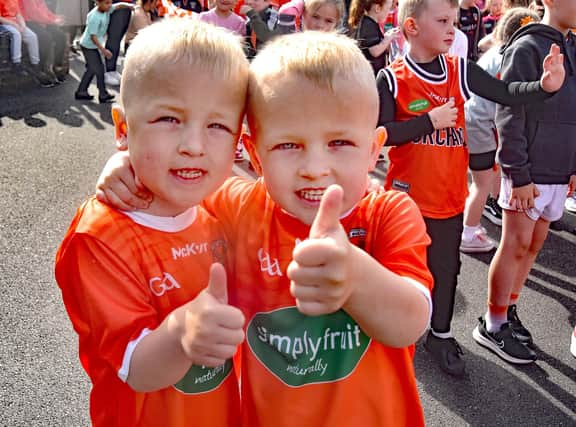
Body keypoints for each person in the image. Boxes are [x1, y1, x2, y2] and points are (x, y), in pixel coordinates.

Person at [97, 31, 434, 426]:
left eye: (340, 142)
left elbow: (412, 322)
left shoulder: (388, 214)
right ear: (255, 154)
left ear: (375, 150)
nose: (314, 167)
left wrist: (355, 278)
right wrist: (128, 165)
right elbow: (181, 180)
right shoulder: (240, 208)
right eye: (288, 146)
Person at [55, 18, 249, 427]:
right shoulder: (100, 237)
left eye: (217, 125)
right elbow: (138, 370)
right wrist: (185, 330)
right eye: (169, 119)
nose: (193, 146)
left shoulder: (222, 206)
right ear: (123, 127)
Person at [377, 0, 565, 376]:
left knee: (446, 273)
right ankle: (394, 334)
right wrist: (428, 121)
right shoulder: (392, 78)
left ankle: (440, 335)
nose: (454, 29)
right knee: (399, 273)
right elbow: (381, 135)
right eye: (443, 21)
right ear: (412, 27)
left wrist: (543, 87)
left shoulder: (459, 69)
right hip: (404, 202)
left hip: (448, 202)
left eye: (454, 20)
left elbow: (507, 92)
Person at [473, 0, 576, 364]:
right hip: (528, 173)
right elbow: (509, 112)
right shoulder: (526, 46)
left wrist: (572, 167)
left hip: (557, 172)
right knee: (515, 244)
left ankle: (509, 310)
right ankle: (493, 322)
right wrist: (517, 174)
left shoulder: (573, 47)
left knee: (533, 244)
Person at [460, 7, 540, 254]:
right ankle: (468, 232)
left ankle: (475, 220)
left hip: (477, 120)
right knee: (481, 183)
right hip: (479, 124)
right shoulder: (512, 58)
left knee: (486, 176)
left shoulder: (497, 51)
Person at [75, 0, 133, 103]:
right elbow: (93, 37)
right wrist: (103, 50)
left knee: (92, 69)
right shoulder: (94, 17)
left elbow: (118, 5)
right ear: (97, 2)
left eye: (110, 2)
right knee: (99, 69)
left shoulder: (107, 8)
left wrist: (129, 5)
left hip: (92, 46)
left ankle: (81, 91)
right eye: (107, 3)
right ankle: (102, 94)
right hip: (88, 46)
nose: (110, 5)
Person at [0, 0, 54, 86]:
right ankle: (16, 63)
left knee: (32, 36)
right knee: (16, 34)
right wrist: (14, 25)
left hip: (16, 23)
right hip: (4, 24)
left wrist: (23, 26)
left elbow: (18, 14)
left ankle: (35, 64)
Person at [19, 0, 68, 82]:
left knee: (61, 36)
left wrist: (55, 17)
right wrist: (52, 21)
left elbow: (44, 10)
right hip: (28, 21)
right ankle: (40, 69)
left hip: (41, 20)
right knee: (45, 38)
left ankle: (56, 66)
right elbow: (33, 13)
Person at [348, 0, 400, 75]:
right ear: (378, 8)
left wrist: (386, 37)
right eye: (388, 9)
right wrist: (387, 39)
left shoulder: (369, 22)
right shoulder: (369, 25)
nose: (388, 12)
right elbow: (374, 51)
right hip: (367, 74)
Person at [104, 0, 134, 86]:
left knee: (117, 40)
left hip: (126, 5)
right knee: (114, 39)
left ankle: (112, 70)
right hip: (116, 5)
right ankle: (109, 71)